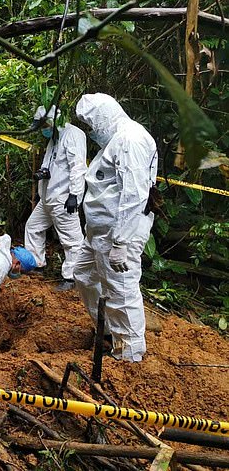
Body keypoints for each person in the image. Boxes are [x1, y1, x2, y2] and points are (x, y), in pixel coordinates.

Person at [74, 93, 157, 362]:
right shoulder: (114, 141)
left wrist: (121, 242)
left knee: (121, 290)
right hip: (99, 232)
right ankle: (108, 331)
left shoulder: (131, 139)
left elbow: (134, 195)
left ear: (102, 117)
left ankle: (130, 357)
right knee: (83, 273)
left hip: (118, 235)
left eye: (91, 124)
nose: (91, 131)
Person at [24, 105, 87, 291]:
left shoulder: (73, 134)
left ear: (52, 121)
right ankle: (36, 264)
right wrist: (44, 173)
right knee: (33, 227)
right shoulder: (54, 138)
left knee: (72, 240)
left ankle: (72, 278)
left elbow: (78, 167)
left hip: (63, 199)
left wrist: (74, 195)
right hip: (48, 197)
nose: (43, 129)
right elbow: (53, 163)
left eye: (44, 124)